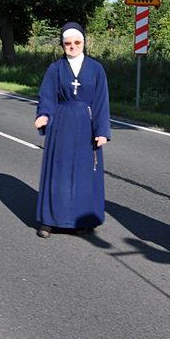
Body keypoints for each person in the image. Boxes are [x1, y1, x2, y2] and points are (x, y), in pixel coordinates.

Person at [34, 22, 111, 238]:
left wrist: (102, 131)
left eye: (77, 42)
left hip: (87, 126)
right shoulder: (55, 68)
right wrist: (43, 114)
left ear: (84, 43)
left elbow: (101, 101)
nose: (73, 46)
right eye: (68, 43)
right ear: (62, 44)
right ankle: (50, 221)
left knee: (84, 174)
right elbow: (47, 96)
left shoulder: (96, 68)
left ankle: (81, 220)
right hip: (61, 125)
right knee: (58, 172)